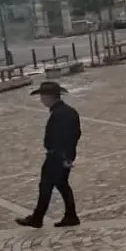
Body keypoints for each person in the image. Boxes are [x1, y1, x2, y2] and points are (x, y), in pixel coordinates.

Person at [16, 81, 81, 228]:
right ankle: (67, 216)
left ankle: (39, 218)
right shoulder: (66, 111)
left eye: (42, 97)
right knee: (57, 185)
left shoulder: (60, 114)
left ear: (48, 97)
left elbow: (69, 137)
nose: (41, 100)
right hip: (60, 156)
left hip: (57, 157)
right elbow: (75, 135)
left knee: (49, 186)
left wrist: (66, 157)